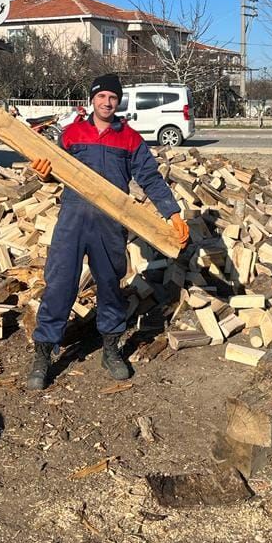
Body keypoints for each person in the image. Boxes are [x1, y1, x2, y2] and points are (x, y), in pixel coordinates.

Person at [27, 73, 189, 389]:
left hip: (109, 225)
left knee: (110, 287)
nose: (107, 102)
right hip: (72, 222)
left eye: (113, 98)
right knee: (59, 284)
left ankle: (111, 350)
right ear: (93, 99)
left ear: (119, 102)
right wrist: (44, 176)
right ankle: (44, 353)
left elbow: (151, 179)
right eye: (102, 96)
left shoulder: (129, 138)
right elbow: (52, 170)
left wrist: (173, 213)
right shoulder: (72, 134)